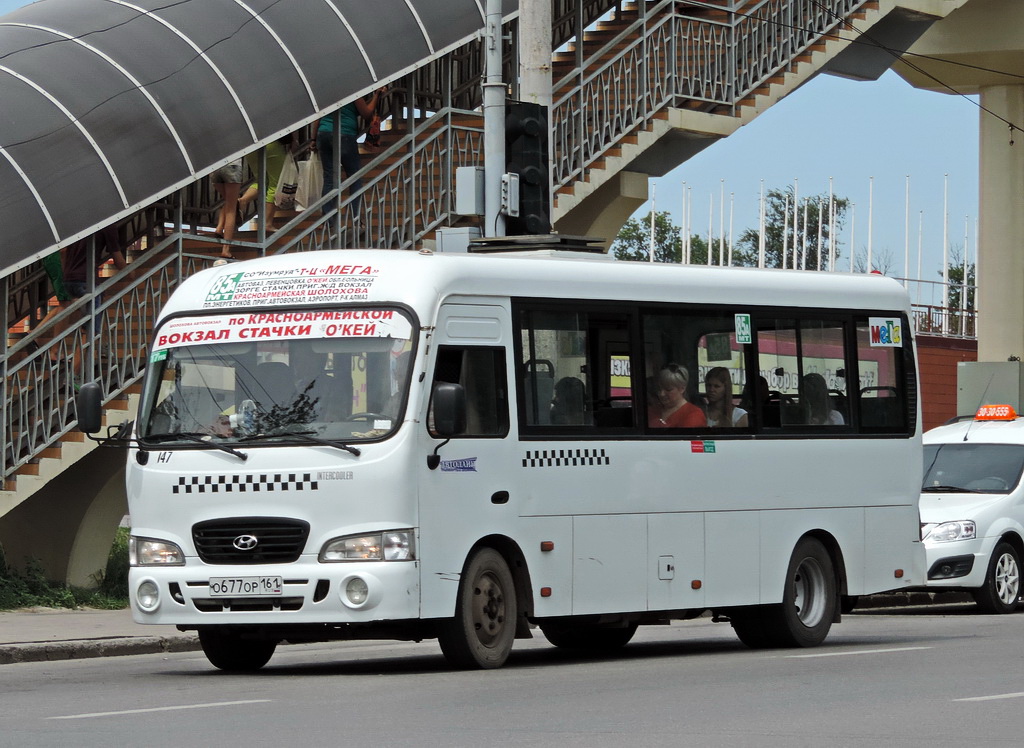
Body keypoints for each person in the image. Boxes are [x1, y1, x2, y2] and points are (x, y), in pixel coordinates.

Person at [317, 87, 386, 215]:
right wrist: (376, 95)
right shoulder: (351, 89)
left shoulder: (326, 91)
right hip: (344, 135)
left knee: (329, 177)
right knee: (354, 177)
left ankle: (327, 218)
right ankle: (356, 216)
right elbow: (366, 113)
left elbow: (318, 115)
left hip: (324, 133)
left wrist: (312, 139)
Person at [242, 134, 292, 228]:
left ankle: (243, 200)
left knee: (262, 181)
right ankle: (267, 223)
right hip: (271, 144)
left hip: (250, 146)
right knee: (277, 183)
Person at [648, 363, 706, 428]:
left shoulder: (694, 414)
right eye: (659, 388)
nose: (661, 394)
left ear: (682, 388)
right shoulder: (652, 410)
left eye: (668, 389)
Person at [211, 158, 244, 260]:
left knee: (228, 201)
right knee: (231, 208)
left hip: (214, 166)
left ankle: (220, 228)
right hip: (232, 165)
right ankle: (226, 249)